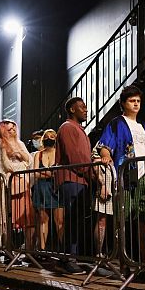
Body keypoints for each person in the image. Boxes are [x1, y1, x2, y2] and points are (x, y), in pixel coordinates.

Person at [97, 85, 145, 273]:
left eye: (138, 101)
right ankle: (124, 265)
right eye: (132, 101)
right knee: (122, 222)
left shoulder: (143, 126)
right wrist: (106, 155)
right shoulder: (116, 123)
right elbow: (105, 145)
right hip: (126, 177)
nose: (136, 104)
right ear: (123, 103)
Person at [54, 97, 94, 274]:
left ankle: (71, 257)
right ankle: (67, 259)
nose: (85, 110)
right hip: (72, 179)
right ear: (72, 109)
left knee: (76, 221)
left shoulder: (78, 129)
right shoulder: (68, 127)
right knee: (71, 221)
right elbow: (75, 158)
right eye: (82, 107)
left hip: (80, 179)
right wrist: (92, 173)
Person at [0, 120, 35, 251]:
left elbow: (29, 160)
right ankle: (10, 250)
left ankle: (29, 250)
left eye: (13, 128)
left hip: (24, 184)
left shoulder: (21, 143)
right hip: (11, 185)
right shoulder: (2, 145)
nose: (12, 131)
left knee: (27, 218)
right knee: (11, 219)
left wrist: (20, 155)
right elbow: (7, 165)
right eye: (9, 129)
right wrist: (22, 165)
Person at [33, 130, 64, 251]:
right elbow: (35, 173)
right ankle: (42, 248)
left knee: (59, 221)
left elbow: (59, 173)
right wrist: (51, 174)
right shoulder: (38, 155)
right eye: (46, 137)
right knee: (43, 220)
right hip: (41, 189)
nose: (49, 138)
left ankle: (63, 250)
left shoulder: (59, 154)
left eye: (52, 136)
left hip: (56, 189)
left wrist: (45, 173)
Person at [92, 148, 115, 257]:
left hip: (118, 183)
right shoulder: (101, 143)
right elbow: (95, 164)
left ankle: (116, 255)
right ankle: (99, 253)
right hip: (105, 184)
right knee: (102, 220)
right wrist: (102, 184)